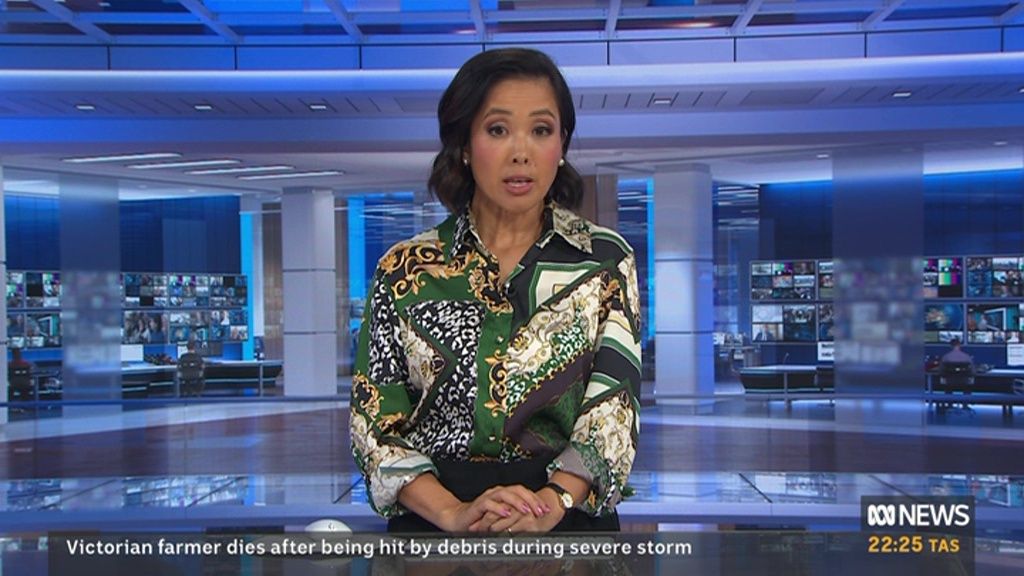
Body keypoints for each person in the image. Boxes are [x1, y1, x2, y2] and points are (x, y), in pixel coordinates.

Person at [350, 48, 641, 535]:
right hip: (435, 525)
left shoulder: (604, 260)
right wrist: (452, 512)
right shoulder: (403, 269)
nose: (521, 152)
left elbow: (614, 410)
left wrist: (552, 501)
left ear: (562, 144)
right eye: (498, 129)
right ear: (464, 144)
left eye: (541, 130)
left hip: (565, 520)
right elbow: (374, 424)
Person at [938, 337, 973, 411]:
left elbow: (941, 371)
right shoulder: (967, 357)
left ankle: (950, 405)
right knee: (968, 383)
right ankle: (965, 406)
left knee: (947, 384)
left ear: (951, 346)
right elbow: (972, 371)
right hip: (964, 383)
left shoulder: (946, 357)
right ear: (960, 345)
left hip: (949, 383)